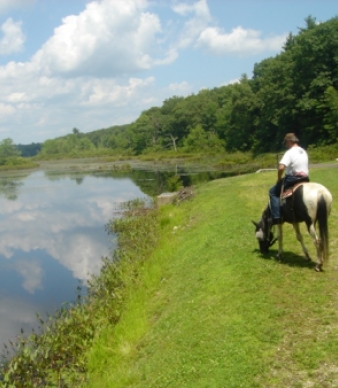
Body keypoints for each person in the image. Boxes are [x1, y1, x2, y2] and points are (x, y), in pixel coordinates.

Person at [269, 133, 309, 224]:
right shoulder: (303, 151)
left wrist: (279, 178)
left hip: (293, 178)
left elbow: (281, 168)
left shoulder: (290, 152)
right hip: (305, 178)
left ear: (290, 141)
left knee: (272, 192)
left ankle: (276, 217)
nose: (286, 145)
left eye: (286, 143)